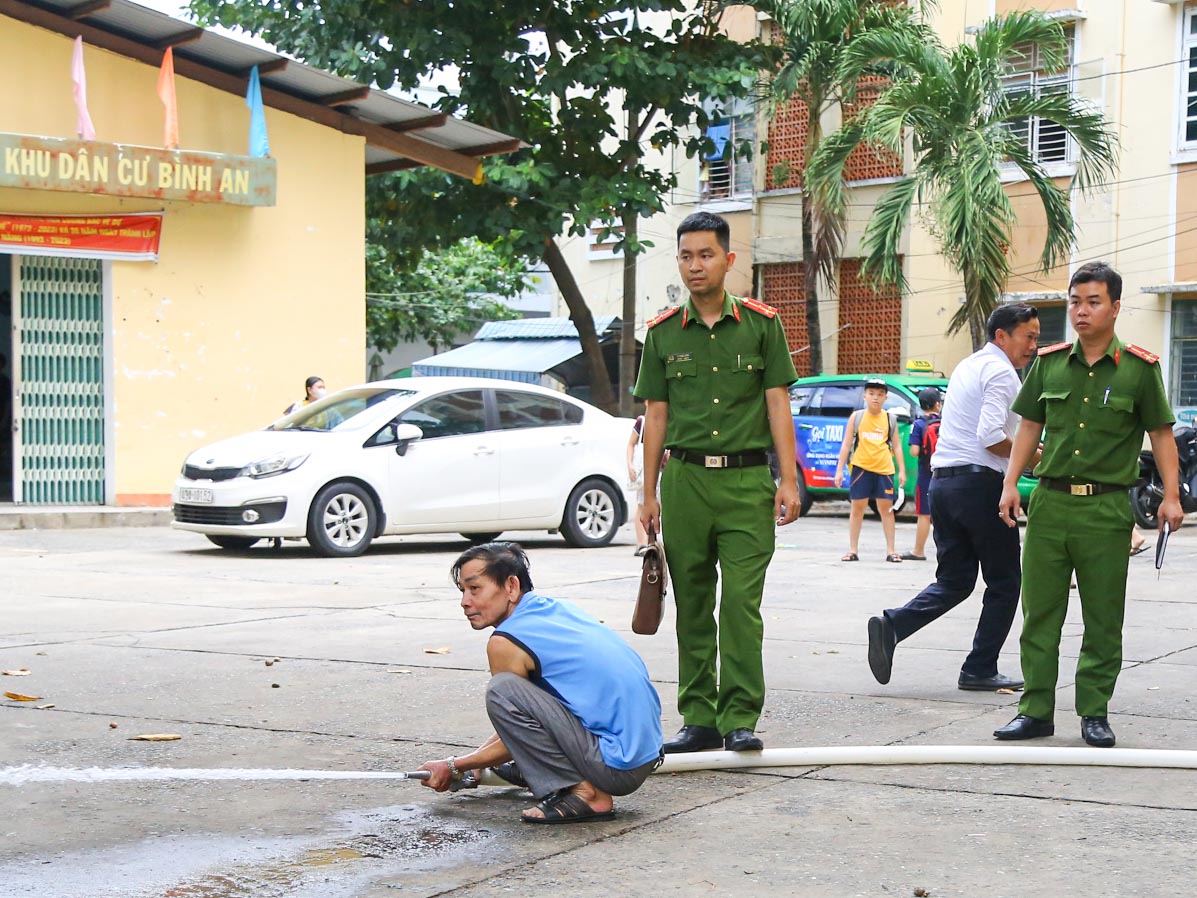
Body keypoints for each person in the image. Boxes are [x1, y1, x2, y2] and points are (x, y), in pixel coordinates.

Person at [996, 262, 1183, 748]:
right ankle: (1034, 709)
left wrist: (1172, 496)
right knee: (1040, 614)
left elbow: (1161, 434)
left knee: (1103, 617)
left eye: (1093, 302)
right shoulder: (1050, 362)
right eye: (1076, 301)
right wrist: (1011, 483)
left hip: (1105, 511)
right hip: (1051, 506)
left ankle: (1094, 713)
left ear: (1115, 308)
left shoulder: (1139, 371)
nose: (1081, 311)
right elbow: (1029, 429)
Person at [633, 211, 799, 754]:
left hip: (747, 482)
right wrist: (648, 495)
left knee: (741, 606)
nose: (695, 265)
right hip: (683, 484)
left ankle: (740, 717)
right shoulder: (661, 333)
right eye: (686, 256)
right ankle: (699, 717)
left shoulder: (761, 324)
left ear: (729, 261)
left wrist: (788, 479)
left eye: (706, 255)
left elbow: (778, 403)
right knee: (694, 603)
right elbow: (655, 415)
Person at [418, 542, 662, 823]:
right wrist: (476, 762)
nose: (465, 601)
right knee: (518, 694)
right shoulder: (555, 610)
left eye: (475, 589)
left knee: (501, 690)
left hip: (616, 767)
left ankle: (586, 794)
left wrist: (454, 765)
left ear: (511, 586)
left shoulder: (505, 642)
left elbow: (510, 714)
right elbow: (524, 720)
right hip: (644, 754)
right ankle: (541, 769)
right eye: (463, 591)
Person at [867, 304, 1041, 691]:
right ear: (1002, 336)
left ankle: (894, 624)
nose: (1034, 344)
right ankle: (979, 668)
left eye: (1036, 336)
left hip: (943, 485)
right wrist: (1036, 452)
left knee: (956, 579)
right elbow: (991, 436)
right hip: (979, 487)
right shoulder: (1001, 372)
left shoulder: (968, 365)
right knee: (1006, 581)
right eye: (1028, 336)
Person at [834, 378, 908, 563]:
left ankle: (891, 551)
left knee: (887, 510)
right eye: (872, 394)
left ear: (885, 397)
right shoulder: (856, 417)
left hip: (884, 469)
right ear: (865, 396)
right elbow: (846, 444)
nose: (875, 398)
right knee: (857, 509)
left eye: (880, 394)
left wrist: (902, 471)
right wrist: (839, 470)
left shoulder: (890, 419)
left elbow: (897, 446)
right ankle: (853, 550)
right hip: (861, 468)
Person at [902, 386, 943, 561]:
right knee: (943, 515)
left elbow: (914, 451)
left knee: (924, 514)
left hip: (926, 474)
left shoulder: (918, 424)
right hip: (943, 472)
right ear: (937, 404)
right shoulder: (945, 422)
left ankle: (918, 550)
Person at [626, 415, 649, 546]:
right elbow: (631, 444)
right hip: (646, 470)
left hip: (666, 469)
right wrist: (630, 465)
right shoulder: (643, 421)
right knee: (642, 505)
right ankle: (642, 544)